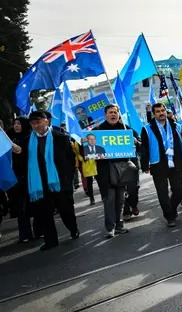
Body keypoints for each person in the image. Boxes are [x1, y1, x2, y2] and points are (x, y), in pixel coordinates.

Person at [17, 110, 80, 251]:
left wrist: (67, 178)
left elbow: (70, 159)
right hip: (39, 182)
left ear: (46, 121)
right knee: (43, 212)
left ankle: (73, 228)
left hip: (58, 181)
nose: (36, 126)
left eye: (38, 122)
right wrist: (19, 153)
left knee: (66, 209)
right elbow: (23, 162)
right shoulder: (27, 141)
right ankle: (51, 240)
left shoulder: (60, 137)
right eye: (33, 123)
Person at [141, 103, 182, 227]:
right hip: (158, 164)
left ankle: (172, 209)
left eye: (162, 110)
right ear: (154, 113)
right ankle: (169, 216)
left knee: (179, 190)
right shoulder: (147, 128)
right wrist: (145, 164)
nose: (161, 113)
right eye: (158, 111)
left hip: (176, 163)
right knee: (162, 193)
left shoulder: (176, 126)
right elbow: (144, 148)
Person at [88, 105, 131, 238]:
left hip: (122, 170)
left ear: (119, 114)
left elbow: (138, 142)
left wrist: (135, 141)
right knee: (109, 199)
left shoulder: (125, 129)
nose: (113, 115)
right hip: (105, 172)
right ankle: (110, 227)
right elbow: (89, 150)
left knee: (120, 200)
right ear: (105, 114)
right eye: (110, 112)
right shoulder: (97, 131)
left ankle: (119, 225)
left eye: (115, 112)